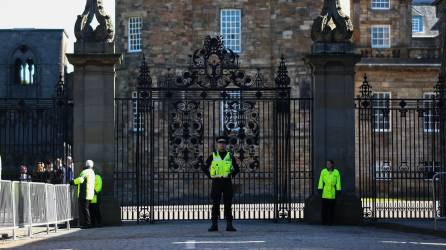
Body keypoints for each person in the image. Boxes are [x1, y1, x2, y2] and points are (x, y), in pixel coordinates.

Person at [202, 136, 240, 232]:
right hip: (217, 182)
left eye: (223, 143)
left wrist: (232, 175)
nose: (222, 144)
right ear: (217, 144)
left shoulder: (230, 156)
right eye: (220, 143)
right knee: (215, 204)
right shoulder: (213, 155)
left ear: (226, 145)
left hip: (227, 182)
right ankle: (214, 225)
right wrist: (210, 176)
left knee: (228, 204)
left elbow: (237, 168)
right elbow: (204, 167)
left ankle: (229, 225)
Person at [70, 160, 95, 229]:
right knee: (87, 209)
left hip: (84, 193)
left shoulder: (85, 172)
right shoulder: (92, 172)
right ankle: (89, 223)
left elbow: (80, 180)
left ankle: (88, 223)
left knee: (85, 209)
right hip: (90, 193)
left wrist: (72, 182)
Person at [318, 160, 341, 225]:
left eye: (329, 164)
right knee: (324, 208)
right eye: (327, 164)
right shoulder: (323, 171)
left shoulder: (336, 172)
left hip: (332, 192)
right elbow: (320, 180)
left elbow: (338, 181)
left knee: (331, 208)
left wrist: (338, 189)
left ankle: (331, 221)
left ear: (332, 164)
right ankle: (323, 221)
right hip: (325, 192)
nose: (327, 165)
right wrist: (320, 188)